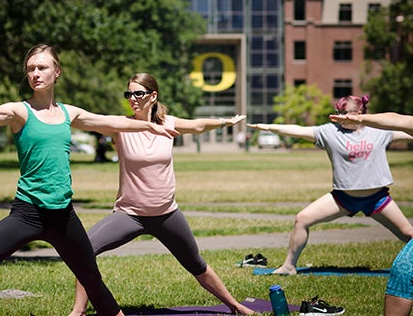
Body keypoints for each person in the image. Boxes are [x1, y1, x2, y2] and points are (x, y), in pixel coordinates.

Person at [0, 45, 179, 316]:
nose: (35, 73)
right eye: (31, 68)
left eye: (42, 67)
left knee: (91, 278)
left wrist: (148, 125)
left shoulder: (69, 113)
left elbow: (110, 122)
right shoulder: (20, 112)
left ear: (56, 72)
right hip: (28, 213)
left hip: (64, 217)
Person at [68, 72, 253, 316]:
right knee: (85, 250)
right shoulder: (120, 126)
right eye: (129, 94)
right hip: (129, 214)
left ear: (153, 96)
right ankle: (78, 312)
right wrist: (55, 113)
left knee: (196, 264)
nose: (132, 99)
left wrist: (224, 122)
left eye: (138, 93)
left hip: (167, 214)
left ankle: (236, 307)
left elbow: (197, 125)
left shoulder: (168, 122)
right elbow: (87, 121)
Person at [247, 95, 413, 276]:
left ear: (359, 113)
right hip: (344, 198)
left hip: (377, 199)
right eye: (338, 112)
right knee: (302, 219)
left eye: (345, 113)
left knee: (408, 234)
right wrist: (269, 127)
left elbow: (407, 129)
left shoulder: (379, 131)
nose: (339, 117)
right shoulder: (330, 132)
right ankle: (289, 266)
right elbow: (298, 130)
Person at [330, 111, 413, 316]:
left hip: (376, 198)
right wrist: (360, 119)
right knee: (403, 270)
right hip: (348, 197)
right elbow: (399, 120)